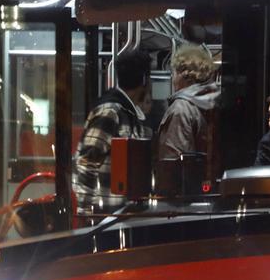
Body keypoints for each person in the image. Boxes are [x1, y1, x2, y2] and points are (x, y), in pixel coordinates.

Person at [73, 49, 153, 207]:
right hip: (104, 217)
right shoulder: (110, 112)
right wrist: (88, 214)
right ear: (145, 80)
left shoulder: (128, 112)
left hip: (119, 215)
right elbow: (86, 164)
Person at [154, 43, 219, 195]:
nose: (173, 79)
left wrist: (164, 198)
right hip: (211, 193)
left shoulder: (180, 109)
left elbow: (173, 164)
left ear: (184, 74)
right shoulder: (215, 104)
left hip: (183, 200)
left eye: (174, 73)